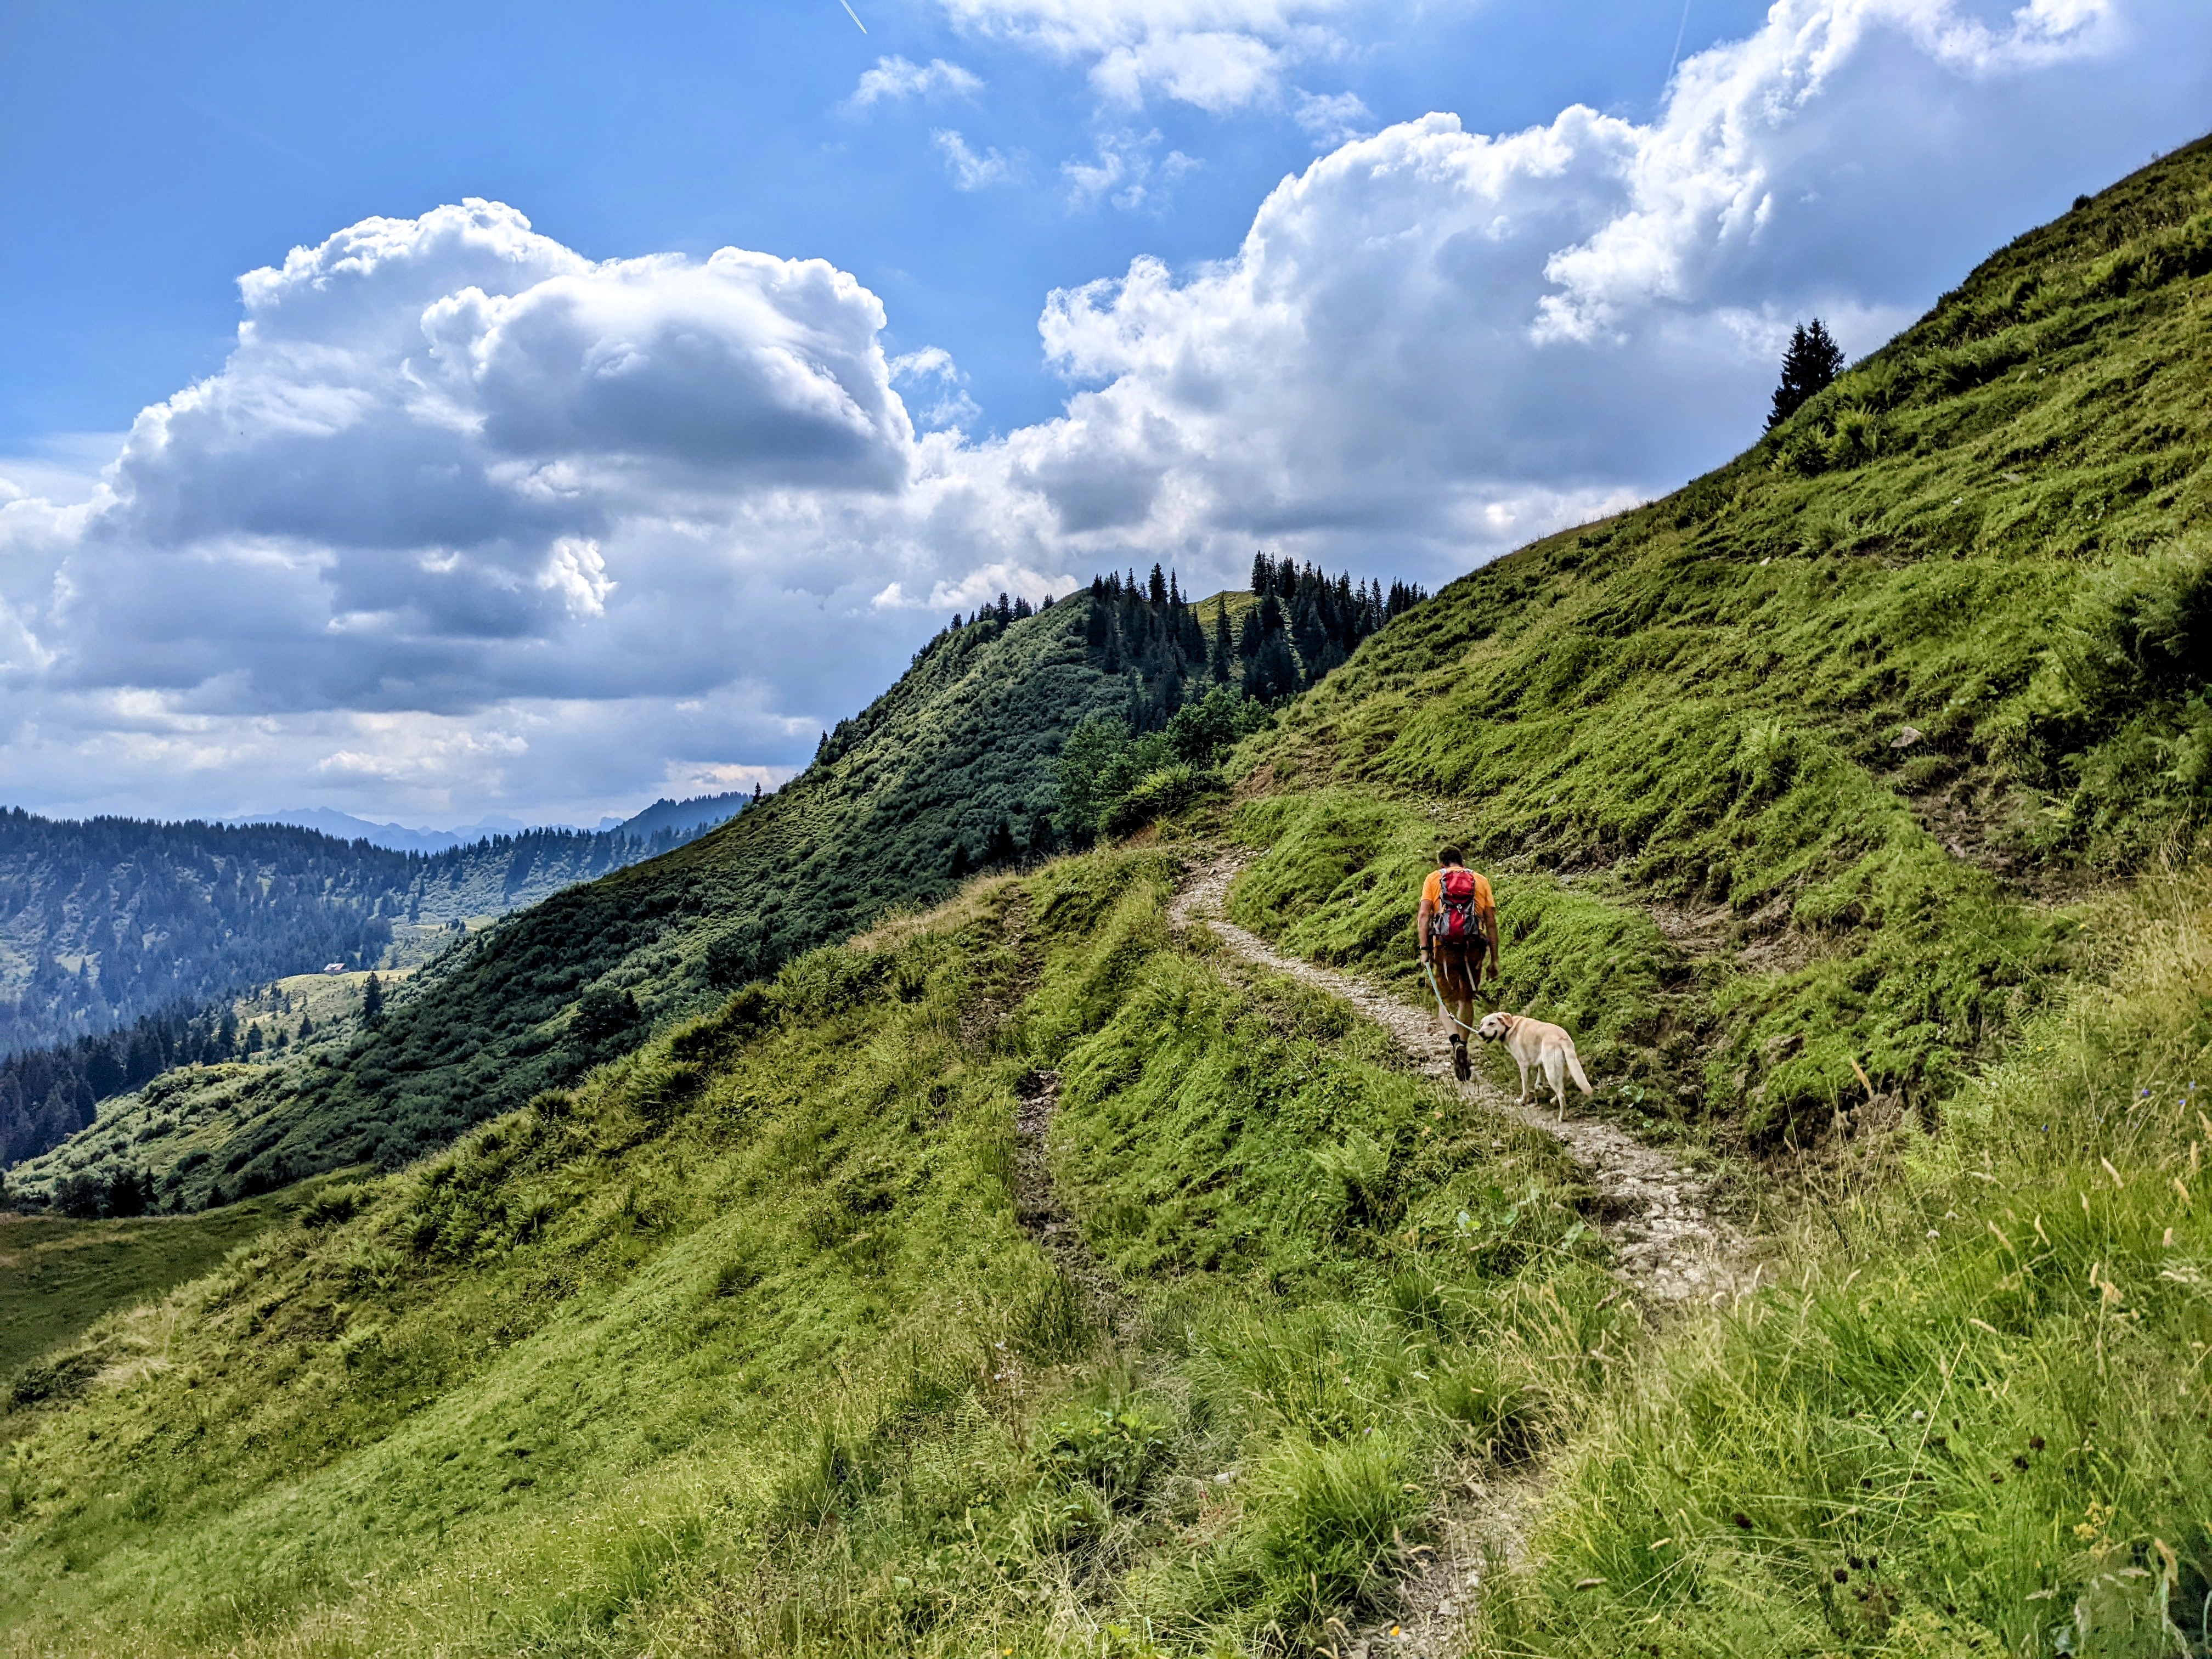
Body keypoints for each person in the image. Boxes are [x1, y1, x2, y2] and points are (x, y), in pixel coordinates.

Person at [1417, 846, 1498, 1081]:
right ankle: (1464, 1042)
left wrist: (1424, 950)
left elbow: (1424, 916)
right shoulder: (1480, 880)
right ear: (1463, 862)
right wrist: (1494, 959)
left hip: (1444, 947)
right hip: (1474, 946)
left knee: (1445, 1002)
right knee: (1466, 998)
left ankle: (1455, 1044)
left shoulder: (1434, 878)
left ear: (1442, 864)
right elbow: (1491, 923)